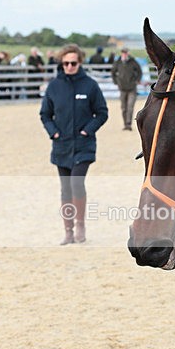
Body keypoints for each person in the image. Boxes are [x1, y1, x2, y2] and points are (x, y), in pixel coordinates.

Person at [39, 44, 108, 244]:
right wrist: (54, 133)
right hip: (61, 146)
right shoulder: (53, 86)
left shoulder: (90, 85)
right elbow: (45, 114)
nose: (70, 66)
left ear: (80, 63)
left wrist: (88, 129)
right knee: (65, 189)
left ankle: (80, 225)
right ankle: (67, 231)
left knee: (77, 184)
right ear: (62, 63)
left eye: (74, 63)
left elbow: (102, 113)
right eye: (66, 63)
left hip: (84, 146)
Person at [111, 47, 142, 130]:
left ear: (128, 53)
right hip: (122, 88)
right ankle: (125, 124)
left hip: (132, 88)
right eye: (123, 52)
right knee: (124, 108)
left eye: (126, 52)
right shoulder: (117, 62)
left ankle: (128, 124)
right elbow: (113, 72)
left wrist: (137, 80)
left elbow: (139, 71)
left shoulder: (133, 61)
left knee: (130, 106)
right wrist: (116, 82)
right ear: (121, 53)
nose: (124, 54)